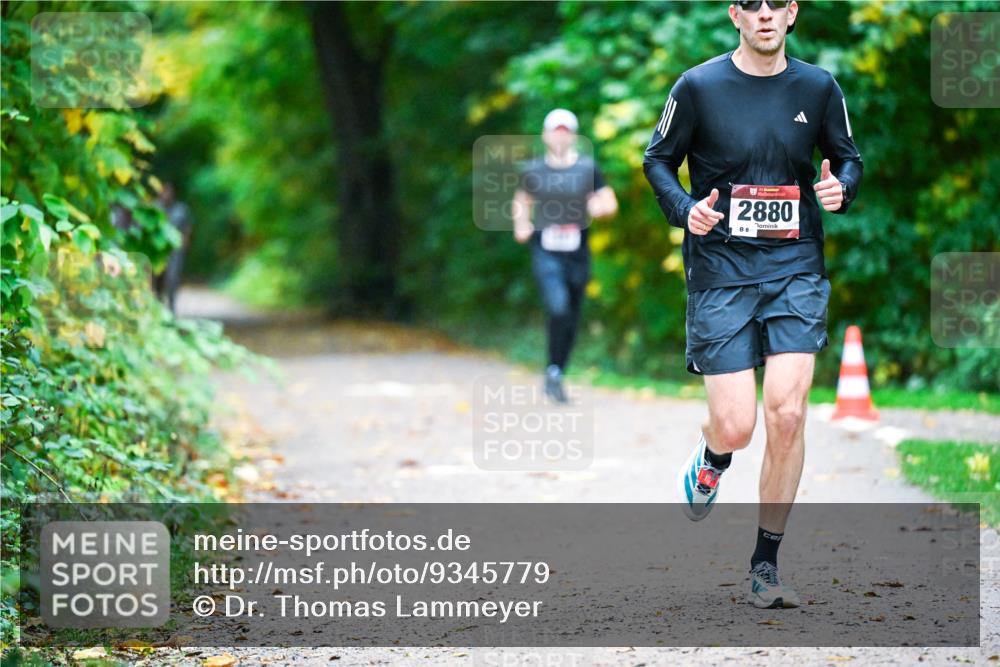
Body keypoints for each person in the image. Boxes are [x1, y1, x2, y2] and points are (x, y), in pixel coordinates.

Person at [642, 0, 862, 609]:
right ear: (735, 14)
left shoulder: (819, 87)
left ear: (792, 13)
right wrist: (687, 211)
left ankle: (765, 563)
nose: (764, 14)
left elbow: (848, 157)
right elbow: (656, 159)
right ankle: (714, 456)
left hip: (795, 267)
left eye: (776, 4)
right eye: (752, 4)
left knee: (787, 414)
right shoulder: (698, 86)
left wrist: (840, 187)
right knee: (737, 426)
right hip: (721, 269)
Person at [512, 109, 618, 403]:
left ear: (573, 136)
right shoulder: (533, 170)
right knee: (557, 307)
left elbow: (608, 200)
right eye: (555, 131)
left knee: (571, 314)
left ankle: (556, 371)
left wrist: (601, 207)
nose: (560, 136)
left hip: (577, 252)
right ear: (546, 136)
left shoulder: (587, 168)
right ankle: (554, 370)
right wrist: (521, 224)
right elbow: (522, 200)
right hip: (545, 250)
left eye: (565, 131)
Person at [154, 182, 193, 314]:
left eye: (169, 192)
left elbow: (187, 229)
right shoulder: (154, 208)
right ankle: (158, 307)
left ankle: (171, 308)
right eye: (164, 192)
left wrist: (184, 244)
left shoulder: (181, 210)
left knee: (172, 277)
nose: (166, 195)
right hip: (157, 250)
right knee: (157, 279)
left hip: (175, 249)